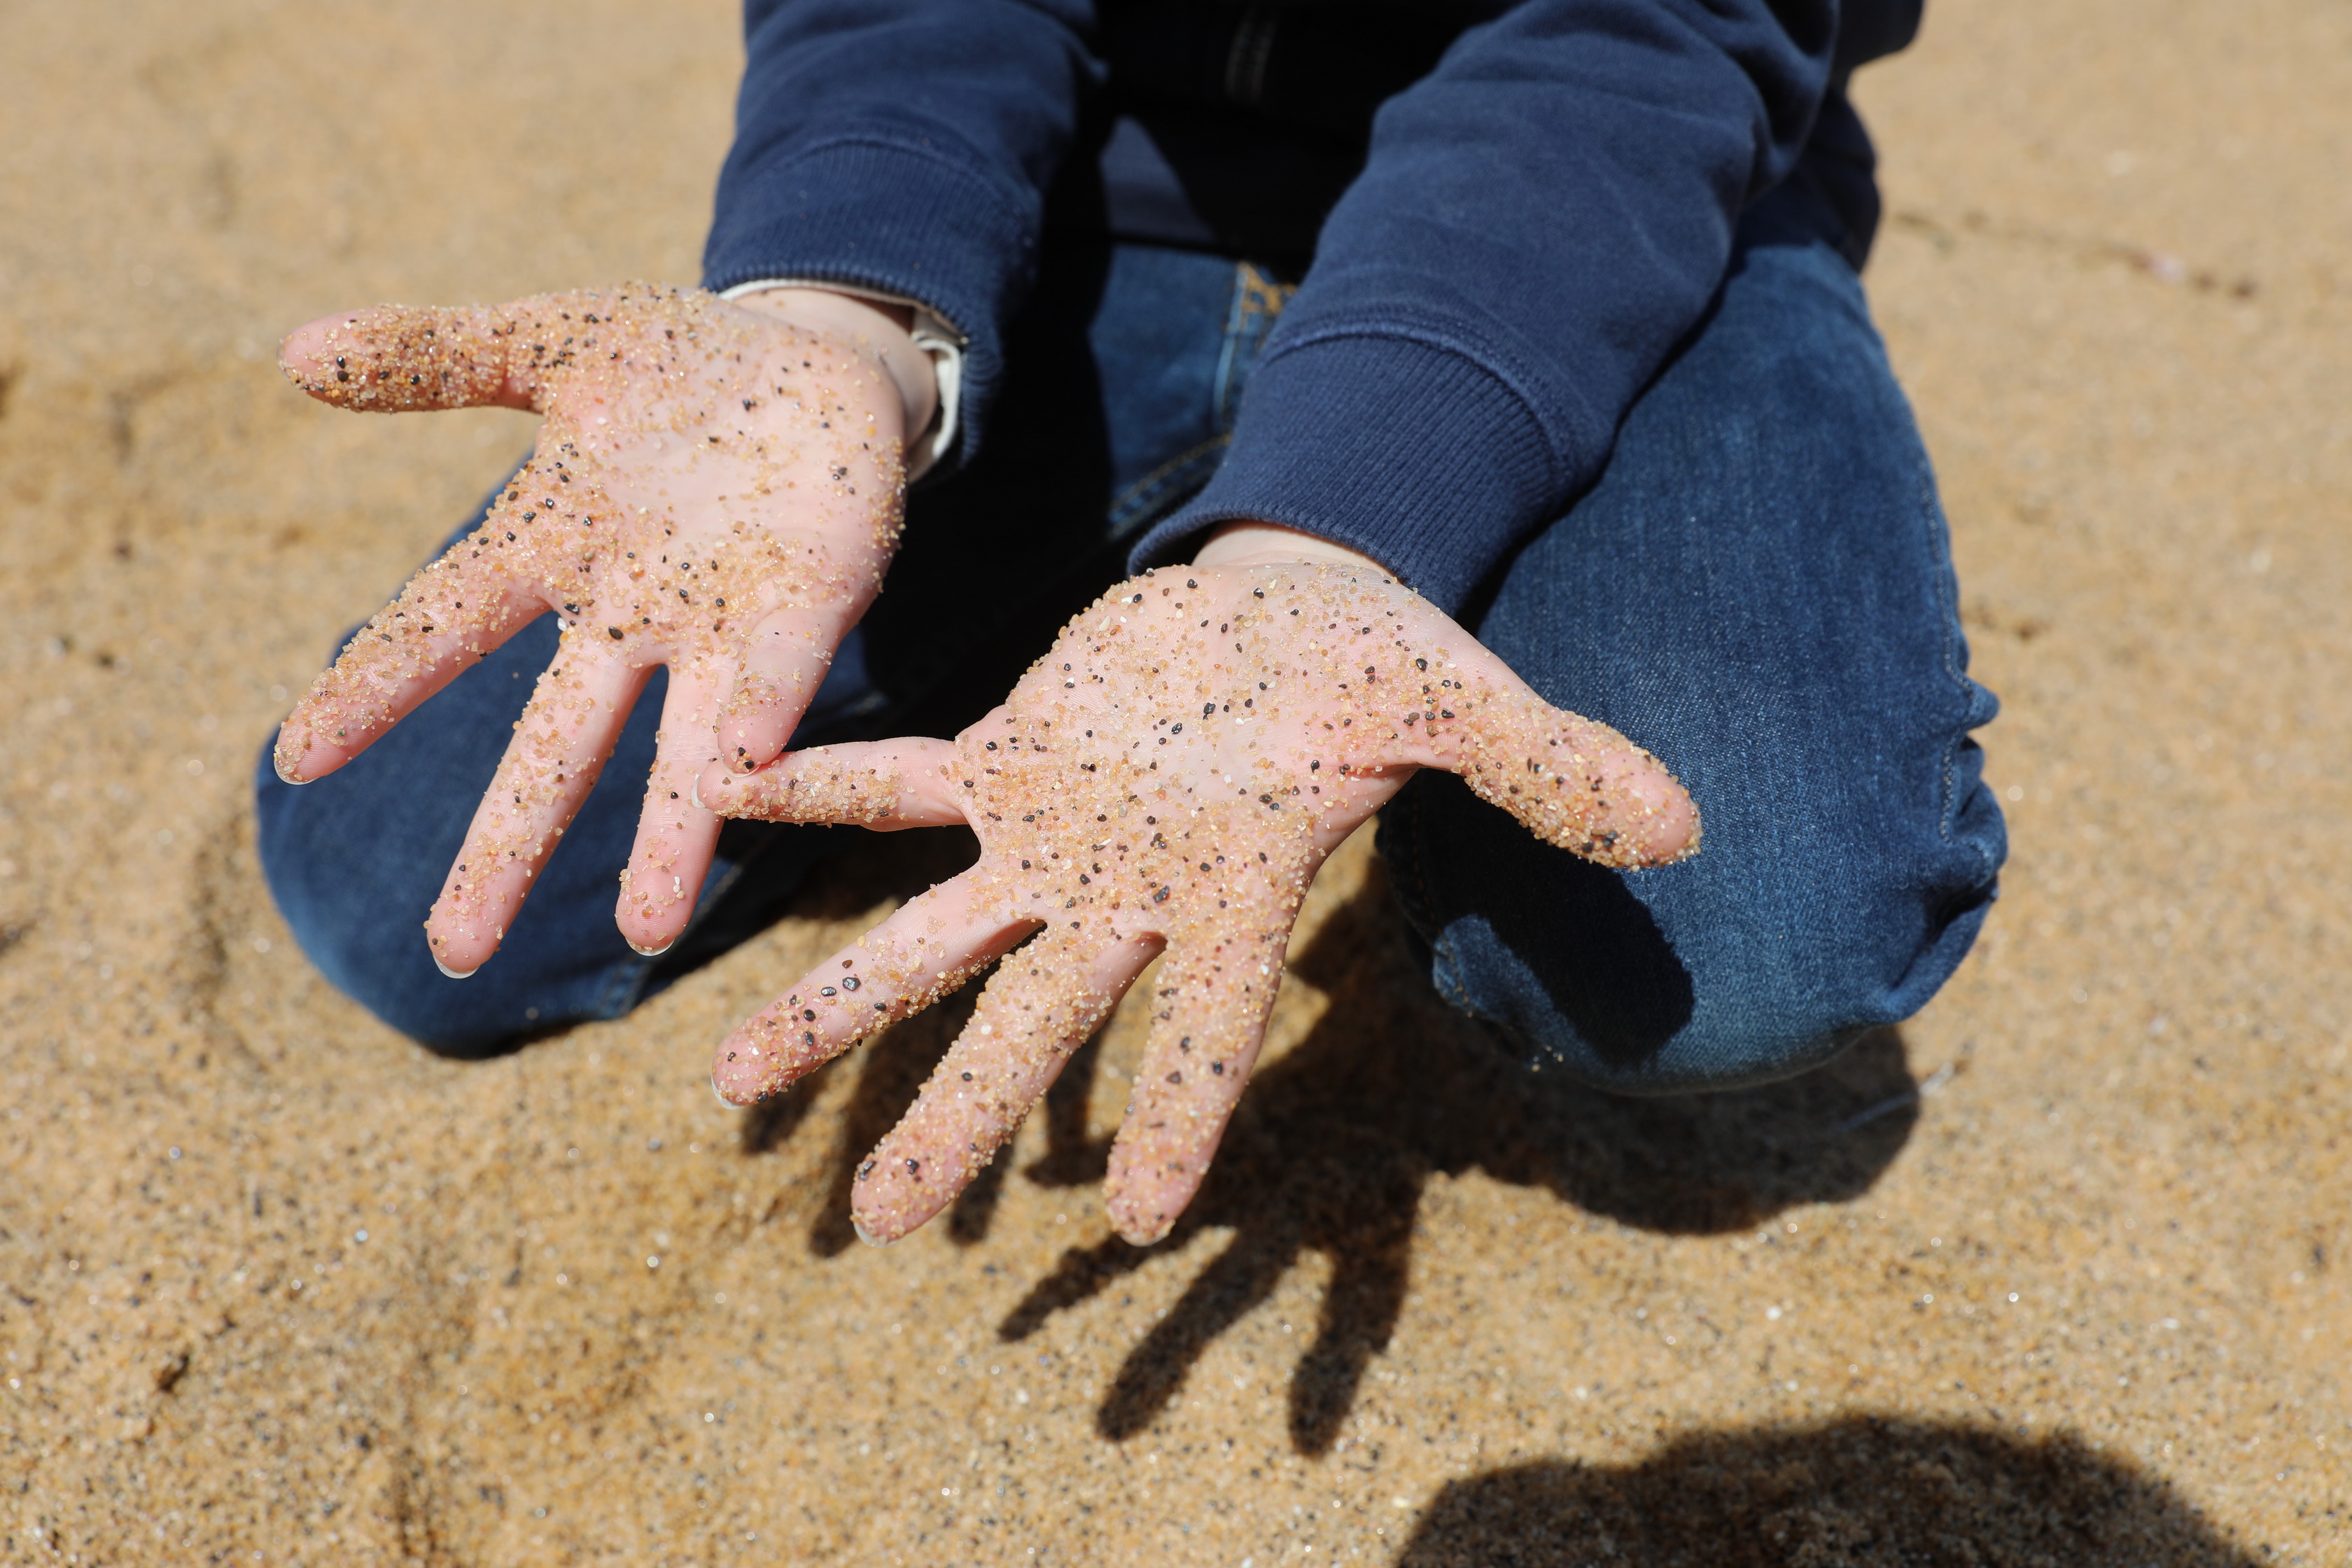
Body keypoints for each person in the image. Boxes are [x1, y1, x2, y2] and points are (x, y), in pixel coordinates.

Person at [255, 0, 2003, 1245]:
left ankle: (1306, 560)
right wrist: (847, 311)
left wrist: (1326, 536)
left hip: (1618, 210)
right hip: (1104, 196)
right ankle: (1136, 574)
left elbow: (1641, 33)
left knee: (1733, 931)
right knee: (393, 879)